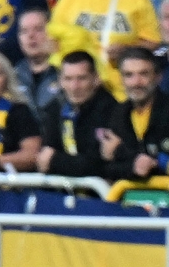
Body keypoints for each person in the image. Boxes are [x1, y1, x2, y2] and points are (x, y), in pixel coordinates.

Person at [48, 0, 160, 101]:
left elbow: (152, 41)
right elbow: (52, 40)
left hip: (119, 90)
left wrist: (126, 50)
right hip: (78, 85)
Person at [38, 49, 117, 177]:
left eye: (81, 78)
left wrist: (55, 160)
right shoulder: (55, 108)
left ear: (96, 79)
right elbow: (45, 156)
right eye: (68, 79)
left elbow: (97, 165)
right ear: (60, 81)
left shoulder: (111, 111)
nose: (74, 87)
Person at [101, 46, 169, 181]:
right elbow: (106, 168)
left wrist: (120, 151)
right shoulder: (117, 114)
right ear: (121, 79)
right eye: (129, 75)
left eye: (143, 74)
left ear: (158, 77)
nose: (136, 82)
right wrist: (134, 167)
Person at [13, 5, 62, 115]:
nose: (31, 35)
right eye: (24, 31)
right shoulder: (12, 77)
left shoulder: (66, 73)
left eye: (38, 29)